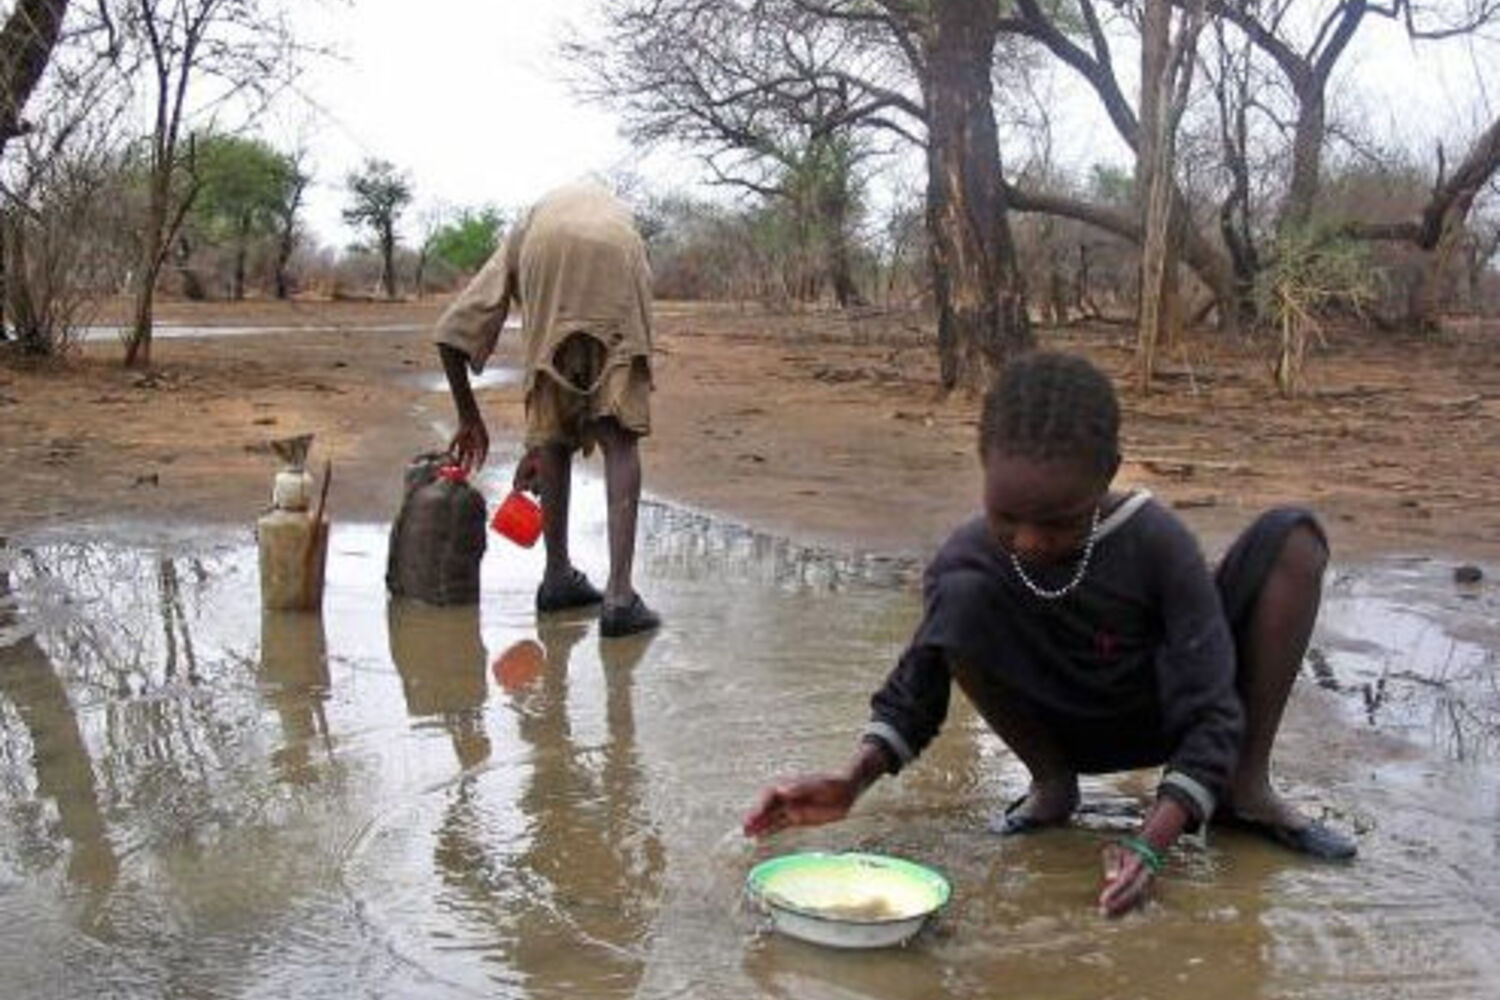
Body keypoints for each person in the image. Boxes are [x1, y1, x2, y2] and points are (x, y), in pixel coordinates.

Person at [742, 351, 1356, 918]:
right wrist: (851, 782)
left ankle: (1243, 789)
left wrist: (1151, 842)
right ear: (983, 467)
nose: (1031, 542)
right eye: (1008, 518)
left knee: (1291, 538)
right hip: (1061, 726)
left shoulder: (1156, 542)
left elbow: (1213, 709)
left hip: (1167, 715)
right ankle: (1051, 784)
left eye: (1059, 523)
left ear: (1106, 475)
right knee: (960, 591)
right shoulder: (968, 557)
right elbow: (915, 690)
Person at [435, 179, 660, 637]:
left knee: (551, 433)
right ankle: (620, 597)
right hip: (619, 252)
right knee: (618, 437)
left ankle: (556, 576)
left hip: (542, 248)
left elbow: (451, 332)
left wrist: (469, 417)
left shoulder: (526, 229)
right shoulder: (620, 223)